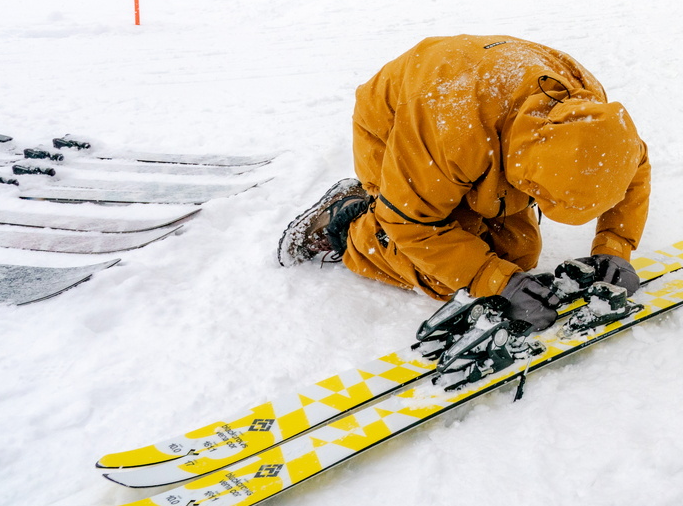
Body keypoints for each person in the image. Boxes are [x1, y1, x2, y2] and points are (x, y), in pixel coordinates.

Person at [278, 35, 651, 332]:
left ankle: (437, 209)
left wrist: (615, 248)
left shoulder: (593, 116)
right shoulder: (452, 131)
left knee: (517, 254)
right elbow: (410, 223)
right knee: (451, 277)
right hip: (396, 130)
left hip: (476, 122)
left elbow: (633, 168)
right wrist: (495, 282)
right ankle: (348, 224)